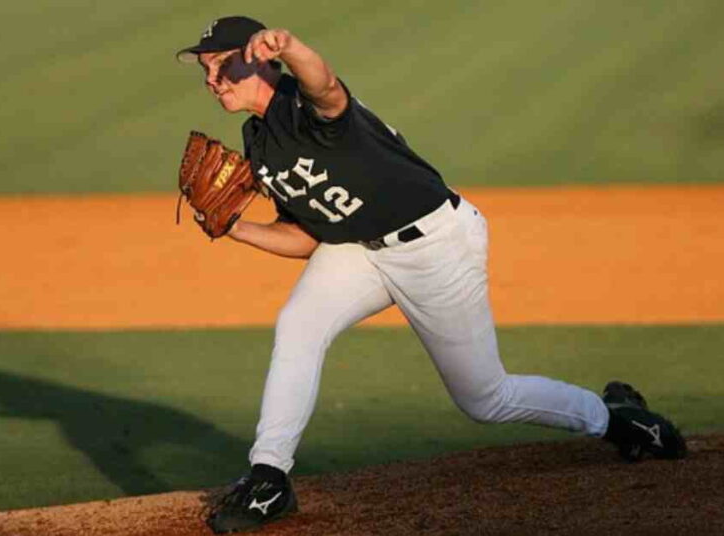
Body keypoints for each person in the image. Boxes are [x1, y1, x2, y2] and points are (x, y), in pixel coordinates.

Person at [176, 16, 686, 534]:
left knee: (485, 399)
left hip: (436, 246)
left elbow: (326, 87)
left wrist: (290, 46)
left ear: (258, 57)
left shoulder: (305, 105)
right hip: (357, 248)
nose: (211, 79)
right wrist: (239, 230)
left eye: (221, 65)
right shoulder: (257, 140)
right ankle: (270, 476)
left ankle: (614, 418)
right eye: (206, 69)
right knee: (299, 326)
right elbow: (309, 237)